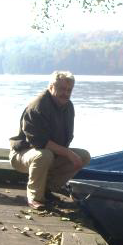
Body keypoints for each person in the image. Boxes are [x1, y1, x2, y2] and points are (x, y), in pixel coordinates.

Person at [9, 71, 90, 209]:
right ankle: (35, 197)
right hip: (22, 154)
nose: (66, 93)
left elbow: (66, 138)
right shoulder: (38, 106)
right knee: (44, 155)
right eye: (62, 89)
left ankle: (47, 189)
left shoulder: (68, 106)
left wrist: (69, 155)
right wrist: (68, 153)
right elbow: (39, 142)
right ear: (51, 87)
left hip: (50, 153)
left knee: (83, 156)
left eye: (69, 90)